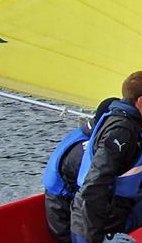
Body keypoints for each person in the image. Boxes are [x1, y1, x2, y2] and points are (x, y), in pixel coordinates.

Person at [70, 72, 142, 243]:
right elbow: (94, 186)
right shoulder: (121, 133)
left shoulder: (125, 121)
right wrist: (97, 238)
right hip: (99, 226)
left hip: (103, 214)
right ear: (141, 101)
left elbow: (128, 174)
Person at [43, 97, 118, 243]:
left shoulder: (83, 134)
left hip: (66, 213)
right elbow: (97, 191)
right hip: (67, 226)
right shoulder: (82, 151)